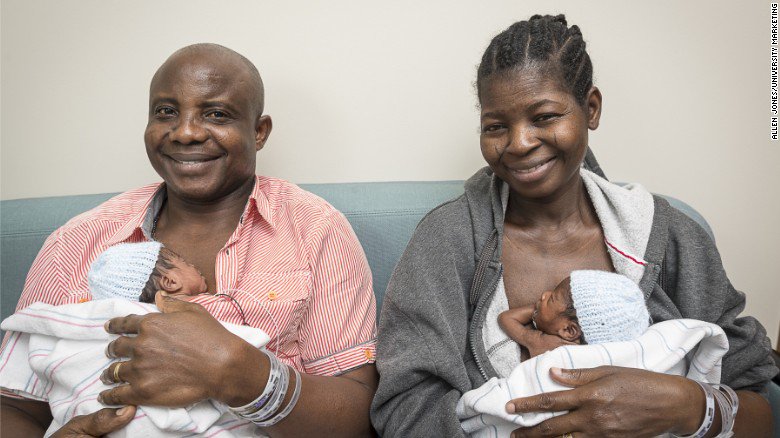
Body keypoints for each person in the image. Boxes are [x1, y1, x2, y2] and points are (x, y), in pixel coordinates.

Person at [371, 14, 777, 437]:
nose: (519, 143)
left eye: (544, 116)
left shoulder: (671, 237)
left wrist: (689, 406)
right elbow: (403, 409)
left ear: (591, 109)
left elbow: (760, 410)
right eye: (496, 126)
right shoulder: (446, 241)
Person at [1, 43, 378, 437]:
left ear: (259, 131)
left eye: (216, 114)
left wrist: (237, 371)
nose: (185, 132)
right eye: (166, 112)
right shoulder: (75, 242)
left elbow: (357, 415)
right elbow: (13, 406)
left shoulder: (315, 230)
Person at [1, 241, 270, 436]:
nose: (196, 266)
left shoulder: (76, 319)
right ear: (170, 282)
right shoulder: (189, 314)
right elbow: (241, 347)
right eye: (187, 264)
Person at [498, 270, 650, 355]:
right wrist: (543, 309)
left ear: (569, 330)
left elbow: (506, 318)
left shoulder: (546, 344)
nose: (544, 294)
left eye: (551, 299)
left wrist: (530, 336)